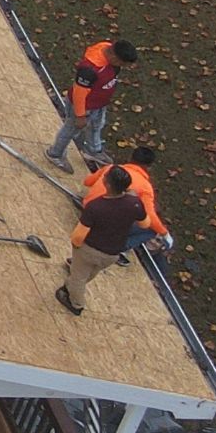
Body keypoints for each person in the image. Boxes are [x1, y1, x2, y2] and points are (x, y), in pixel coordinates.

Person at [58, 165, 147, 315]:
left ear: (108, 184)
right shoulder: (135, 204)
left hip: (90, 249)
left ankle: (76, 304)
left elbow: (78, 236)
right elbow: (145, 223)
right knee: (91, 273)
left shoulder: (96, 206)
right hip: (112, 254)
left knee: (78, 278)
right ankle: (72, 285)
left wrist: (76, 246)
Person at [46, 36, 139, 168]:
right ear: (114, 57)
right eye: (122, 64)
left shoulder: (106, 47)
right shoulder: (90, 69)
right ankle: (55, 154)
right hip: (84, 107)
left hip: (98, 104)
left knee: (96, 126)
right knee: (70, 130)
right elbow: (79, 92)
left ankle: (93, 150)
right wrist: (80, 115)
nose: (123, 67)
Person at [80, 145, 170, 254]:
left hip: (89, 208)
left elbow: (87, 182)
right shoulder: (145, 187)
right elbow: (150, 216)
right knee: (152, 228)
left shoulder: (112, 168)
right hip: (103, 223)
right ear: (149, 167)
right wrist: (164, 233)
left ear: (130, 158)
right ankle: (119, 247)